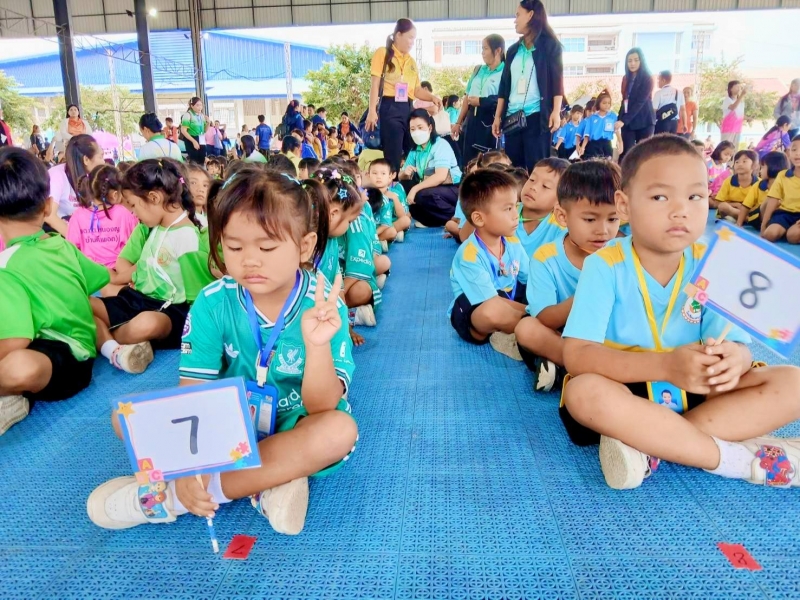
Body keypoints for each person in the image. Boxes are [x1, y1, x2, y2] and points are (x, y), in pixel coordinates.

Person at [87, 169, 358, 535]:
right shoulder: (212, 302)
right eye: (234, 247)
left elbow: (323, 406)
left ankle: (169, 499)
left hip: (296, 421)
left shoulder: (324, 305)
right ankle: (267, 483)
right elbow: (192, 393)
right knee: (126, 418)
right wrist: (190, 466)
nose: (250, 261)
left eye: (266, 247)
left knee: (338, 430)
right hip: (225, 421)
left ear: (305, 246)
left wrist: (317, 344)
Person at [560, 134, 800, 491]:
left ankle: (650, 447)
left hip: (698, 393)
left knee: (793, 383)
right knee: (583, 393)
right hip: (627, 392)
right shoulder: (604, 265)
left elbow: (736, 347)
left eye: (695, 196)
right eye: (660, 197)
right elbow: (577, 355)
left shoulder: (716, 262)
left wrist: (735, 358)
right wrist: (665, 366)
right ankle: (737, 460)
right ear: (624, 205)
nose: (680, 210)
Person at [0, 147, 109, 435]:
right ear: (48, 207)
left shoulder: (5, 267)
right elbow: (98, 277)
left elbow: (16, 340)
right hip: (86, 359)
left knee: (17, 365)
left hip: (53, 368)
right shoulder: (60, 244)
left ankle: (10, 397)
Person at [91, 159, 215, 375]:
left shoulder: (186, 237)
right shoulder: (156, 227)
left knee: (147, 324)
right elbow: (145, 264)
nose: (133, 213)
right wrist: (117, 279)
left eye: (133, 205)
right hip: (139, 298)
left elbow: (199, 295)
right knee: (82, 304)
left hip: (169, 310)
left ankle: (107, 342)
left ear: (154, 198)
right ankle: (120, 346)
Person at [515, 161, 621, 392]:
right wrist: (587, 294)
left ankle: (565, 368)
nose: (603, 230)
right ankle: (597, 370)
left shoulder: (623, 254)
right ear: (562, 216)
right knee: (527, 329)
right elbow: (546, 317)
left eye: (613, 219)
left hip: (608, 337)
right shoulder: (546, 258)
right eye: (590, 219)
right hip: (562, 333)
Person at [448, 169, 529, 353]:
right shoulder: (469, 255)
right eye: (508, 209)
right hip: (475, 308)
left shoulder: (513, 242)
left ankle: (520, 331)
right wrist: (535, 313)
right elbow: (492, 302)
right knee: (491, 312)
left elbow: (529, 279)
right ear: (479, 218)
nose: (516, 215)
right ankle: (530, 331)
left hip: (509, 298)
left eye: (516, 206)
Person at [493, 0, 564, 172]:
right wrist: (497, 116)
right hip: (513, 118)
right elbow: (504, 86)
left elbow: (557, 81)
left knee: (537, 169)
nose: (515, 20)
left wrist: (556, 111)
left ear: (530, 15)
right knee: (513, 172)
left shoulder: (550, 46)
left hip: (536, 117)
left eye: (518, 15)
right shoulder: (513, 50)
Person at [365, 19, 443, 174]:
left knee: (413, 148)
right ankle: (391, 184)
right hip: (390, 107)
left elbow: (416, 90)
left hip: (408, 107)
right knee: (393, 153)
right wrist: (372, 111)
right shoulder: (383, 53)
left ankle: (412, 182)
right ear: (398, 35)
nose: (412, 42)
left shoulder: (411, 62)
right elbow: (375, 84)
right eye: (410, 37)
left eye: (414, 38)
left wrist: (432, 97)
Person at [66, 164, 139, 270]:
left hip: (89, 274)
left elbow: (71, 250)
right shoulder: (124, 214)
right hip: (119, 273)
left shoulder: (77, 215)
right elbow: (134, 247)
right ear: (115, 195)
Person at [400, 109, 462, 227]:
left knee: (423, 195)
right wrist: (404, 173)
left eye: (420, 127)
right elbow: (400, 175)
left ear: (430, 128)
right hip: (430, 187)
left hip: (451, 188)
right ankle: (433, 220)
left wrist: (414, 189)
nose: (416, 132)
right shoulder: (415, 150)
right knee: (406, 190)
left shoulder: (440, 145)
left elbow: (440, 176)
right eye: (412, 129)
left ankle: (457, 218)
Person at [452, 35, 506, 166]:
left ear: (498, 50)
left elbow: (504, 98)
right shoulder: (478, 70)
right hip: (471, 121)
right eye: (482, 49)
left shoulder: (505, 72)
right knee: (468, 162)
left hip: (490, 122)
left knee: (488, 163)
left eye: (485, 48)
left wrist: (481, 101)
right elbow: (467, 97)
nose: (482, 52)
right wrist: (458, 123)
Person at [47, 134, 106, 236]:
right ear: (86, 160)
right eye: (101, 156)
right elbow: (49, 216)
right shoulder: (57, 175)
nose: (103, 162)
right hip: (59, 236)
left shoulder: (93, 178)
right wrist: (80, 241)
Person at [517, 158, 569, 257]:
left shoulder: (560, 228)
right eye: (532, 179)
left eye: (545, 186)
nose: (533, 187)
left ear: (561, 199)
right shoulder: (505, 211)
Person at [616, 48, 655, 158]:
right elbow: (624, 100)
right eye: (629, 61)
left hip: (644, 121)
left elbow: (640, 102)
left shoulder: (648, 78)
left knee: (643, 155)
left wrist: (624, 120)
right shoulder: (625, 78)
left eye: (636, 60)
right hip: (628, 122)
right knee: (626, 154)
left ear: (641, 61)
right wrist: (619, 119)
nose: (632, 63)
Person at [761, 135, 800, 244]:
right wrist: (764, 225)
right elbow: (773, 200)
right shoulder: (783, 175)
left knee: (792, 237)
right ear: (789, 153)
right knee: (769, 234)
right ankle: (785, 230)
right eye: (794, 149)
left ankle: (789, 232)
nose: (797, 153)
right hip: (784, 214)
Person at [737, 151, 789, 229]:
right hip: (758, 219)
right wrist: (739, 224)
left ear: (773, 167)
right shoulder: (758, 185)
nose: (760, 171)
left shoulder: (788, 186)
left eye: (763, 167)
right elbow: (746, 206)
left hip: (779, 219)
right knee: (771, 199)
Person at [369, 159, 411, 242]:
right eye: (374, 173)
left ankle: (381, 239)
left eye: (383, 173)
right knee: (392, 232)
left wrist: (395, 198)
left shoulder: (396, 193)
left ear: (391, 176)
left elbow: (402, 216)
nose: (378, 177)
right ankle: (382, 240)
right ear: (368, 175)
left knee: (405, 221)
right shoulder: (366, 194)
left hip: (389, 225)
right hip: (372, 226)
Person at [711, 150, 758, 220]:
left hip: (749, 210)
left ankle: (741, 217)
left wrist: (746, 208)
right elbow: (717, 203)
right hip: (731, 208)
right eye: (737, 162)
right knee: (723, 206)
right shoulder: (728, 181)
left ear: (754, 165)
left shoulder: (759, 183)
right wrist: (736, 205)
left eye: (744, 161)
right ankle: (746, 219)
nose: (740, 164)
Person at [577, 91, 621, 159]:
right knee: (594, 162)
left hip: (607, 144)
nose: (607, 105)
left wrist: (620, 141)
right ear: (598, 103)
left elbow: (616, 130)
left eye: (609, 103)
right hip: (594, 144)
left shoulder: (612, 116)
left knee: (607, 163)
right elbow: (587, 134)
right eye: (604, 103)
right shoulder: (592, 118)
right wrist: (583, 147)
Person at [652, 71, 685, 135]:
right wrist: (684, 124)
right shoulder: (679, 92)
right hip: (674, 123)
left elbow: (653, 111)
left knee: (660, 140)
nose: (658, 82)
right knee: (671, 140)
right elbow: (683, 109)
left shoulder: (658, 93)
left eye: (659, 80)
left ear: (663, 80)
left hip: (662, 122)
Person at [180, 97, 209, 165]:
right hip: (191, 138)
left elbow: (205, 130)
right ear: (192, 106)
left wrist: (208, 123)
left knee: (202, 159)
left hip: (201, 138)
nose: (200, 107)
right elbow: (183, 131)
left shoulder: (202, 115)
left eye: (201, 105)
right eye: (197, 105)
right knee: (194, 161)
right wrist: (193, 141)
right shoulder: (187, 115)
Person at [721, 80, 746, 149]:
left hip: (737, 128)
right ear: (731, 89)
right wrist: (741, 95)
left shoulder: (741, 102)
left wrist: (748, 118)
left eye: (739, 87)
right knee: (726, 147)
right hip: (728, 128)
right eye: (737, 87)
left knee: (734, 149)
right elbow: (733, 107)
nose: (739, 89)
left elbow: (739, 114)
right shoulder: (727, 100)